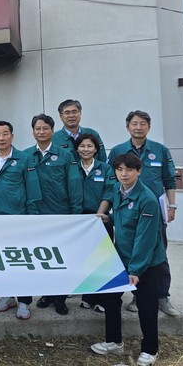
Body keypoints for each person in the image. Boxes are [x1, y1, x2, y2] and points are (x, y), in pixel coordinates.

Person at [91, 153, 165, 366]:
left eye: (129, 170)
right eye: (120, 169)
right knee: (110, 298)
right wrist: (109, 218)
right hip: (121, 257)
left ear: (139, 171)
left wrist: (135, 270)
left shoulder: (147, 199)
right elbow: (124, 218)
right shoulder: (117, 190)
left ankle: (150, 350)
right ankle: (114, 341)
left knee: (146, 305)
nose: (124, 174)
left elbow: (145, 238)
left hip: (146, 263)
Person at [107, 110, 178, 317]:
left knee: (157, 253)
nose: (138, 127)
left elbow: (169, 180)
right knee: (128, 250)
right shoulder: (118, 150)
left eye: (143, 124)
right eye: (134, 123)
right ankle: (137, 294)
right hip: (128, 210)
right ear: (127, 127)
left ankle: (162, 295)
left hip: (152, 211)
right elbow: (112, 180)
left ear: (149, 126)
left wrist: (172, 206)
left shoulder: (160, 150)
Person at [26, 114, 83, 316]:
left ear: (52, 130)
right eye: (38, 128)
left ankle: (60, 297)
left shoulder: (65, 155)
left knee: (62, 259)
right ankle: (47, 294)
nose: (41, 132)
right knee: (43, 257)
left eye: (45, 128)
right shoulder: (26, 155)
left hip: (61, 214)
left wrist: (75, 213)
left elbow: (74, 184)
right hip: (37, 216)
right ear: (33, 131)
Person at [0, 120, 40, 320]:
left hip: (19, 218)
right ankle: (7, 295)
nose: (1, 138)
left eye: (5, 133)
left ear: (12, 136)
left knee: (21, 261)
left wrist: (32, 217)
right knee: (2, 260)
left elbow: (33, 188)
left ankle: (24, 301)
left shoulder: (24, 159)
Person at [74, 133, 117, 313]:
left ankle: (104, 299)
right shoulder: (73, 168)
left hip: (100, 218)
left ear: (96, 149)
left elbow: (110, 191)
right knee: (86, 259)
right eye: (82, 146)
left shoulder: (105, 169)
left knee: (103, 260)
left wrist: (100, 213)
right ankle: (89, 296)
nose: (86, 149)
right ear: (77, 149)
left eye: (89, 146)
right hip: (79, 220)